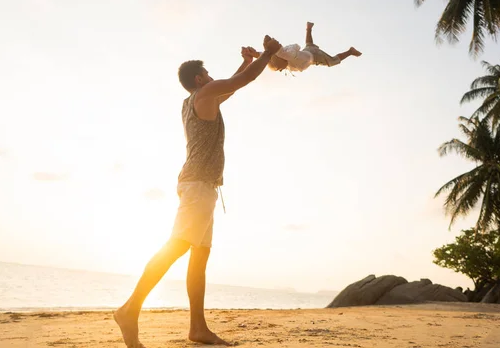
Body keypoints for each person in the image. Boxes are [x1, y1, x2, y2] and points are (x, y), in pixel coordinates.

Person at [113, 35, 283, 348]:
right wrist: (267, 54)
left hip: (202, 187)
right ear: (199, 78)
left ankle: (198, 328)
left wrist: (247, 60)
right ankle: (129, 309)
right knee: (176, 247)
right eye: (207, 73)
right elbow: (243, 81)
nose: (211, 77)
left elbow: (231, 85)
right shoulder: (204, 94)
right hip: (197, 187)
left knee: (199, 257)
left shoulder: (197, 99)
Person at [250, 22, 362, 72]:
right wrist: (255, 54)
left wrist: (275, 47)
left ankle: (350, 51)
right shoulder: (280, 55)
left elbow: (294, 46)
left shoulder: (287, 54)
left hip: (315, 57)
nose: (282, 69)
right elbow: (266, 56)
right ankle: (308, 28)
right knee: (309, 45)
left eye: (280, 68)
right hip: (308, 52)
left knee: (332, 61)